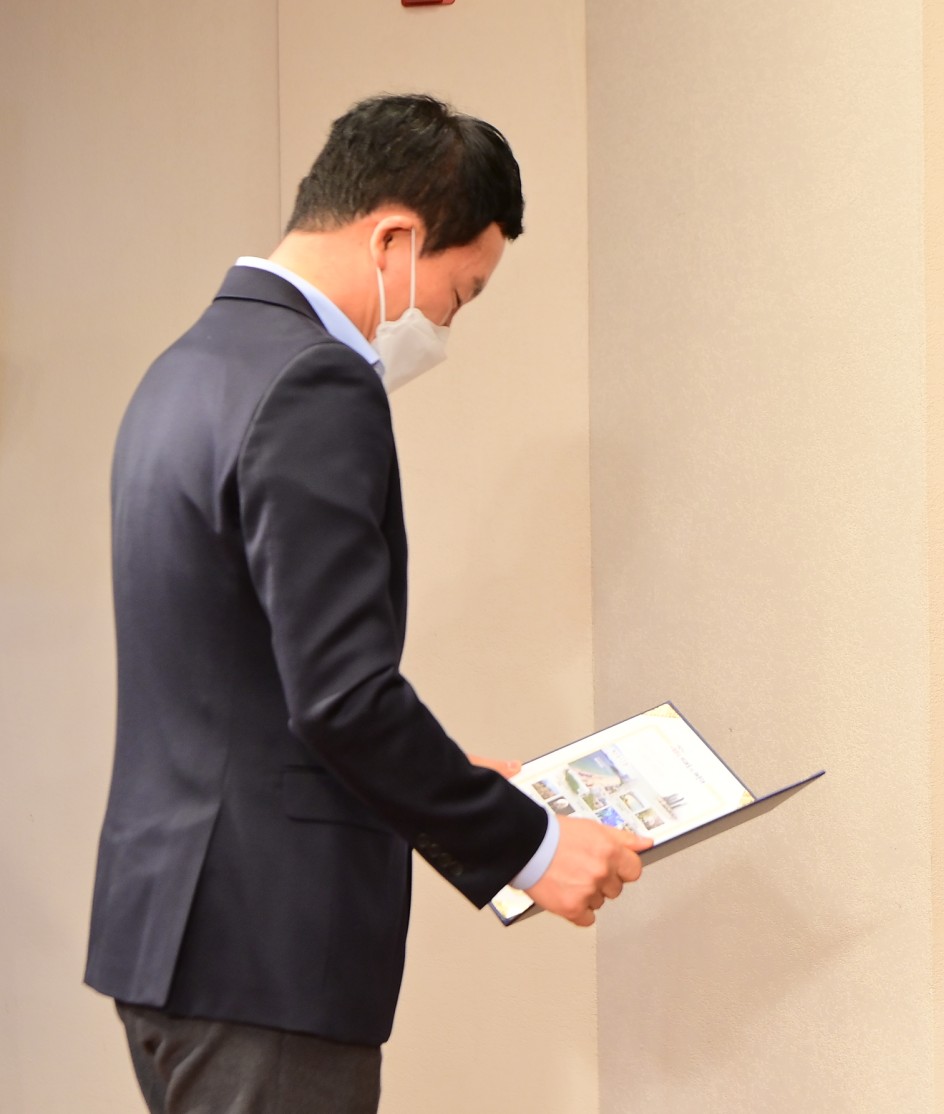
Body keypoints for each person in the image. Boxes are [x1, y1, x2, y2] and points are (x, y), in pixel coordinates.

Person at [85, 93, 651, 1114]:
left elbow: (246, 683)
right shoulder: (316, 382)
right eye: (459, 294)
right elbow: (341, 697)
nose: (446, 325)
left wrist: (449, 780)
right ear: (394, 239)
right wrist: (527, 845)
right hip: (268, 953)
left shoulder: (186, 369)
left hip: (171, 936)